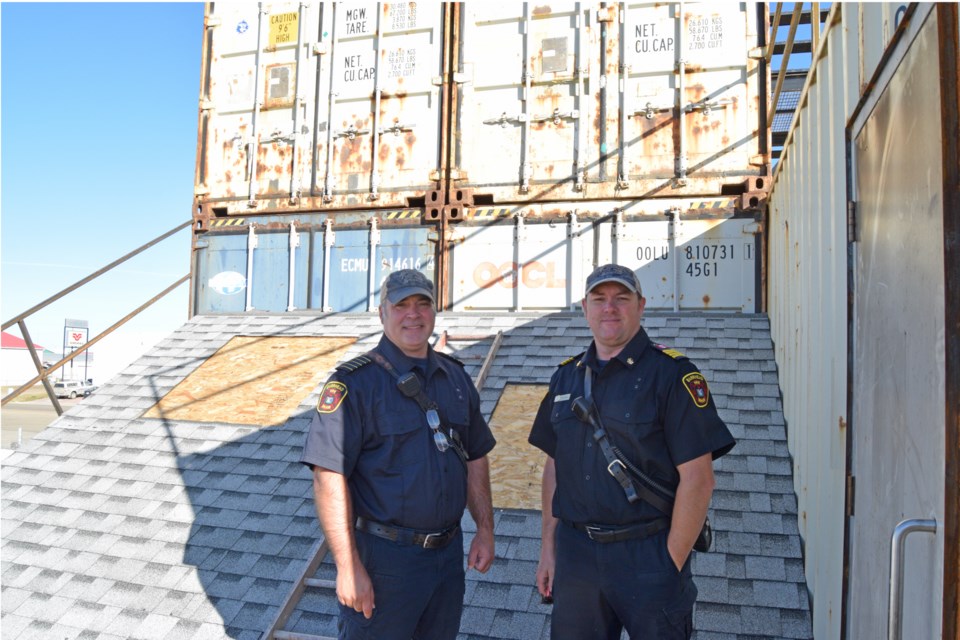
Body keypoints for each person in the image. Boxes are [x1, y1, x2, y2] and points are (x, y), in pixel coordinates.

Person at [528, 263, 735, 639]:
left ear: (640, 306)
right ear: (585, 308)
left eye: (621, 299)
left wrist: (670, 562)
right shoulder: (565, 377)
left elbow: (699, 479)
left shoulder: (672, 375)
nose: (610, 308)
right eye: (600, 299)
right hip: (577, 555)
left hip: (649, 553)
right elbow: (554, 467)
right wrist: (549, 547)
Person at [301, 269, 496, 640]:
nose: (413, 313)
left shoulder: (456, 379)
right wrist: (347, 566)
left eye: (423, 304)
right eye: (401, 304)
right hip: (383, 561)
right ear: (381, 313)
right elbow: (328, 475)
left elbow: (475, 457)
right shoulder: (354, 384)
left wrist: (485, 530)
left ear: (434, 312)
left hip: (447, 557)